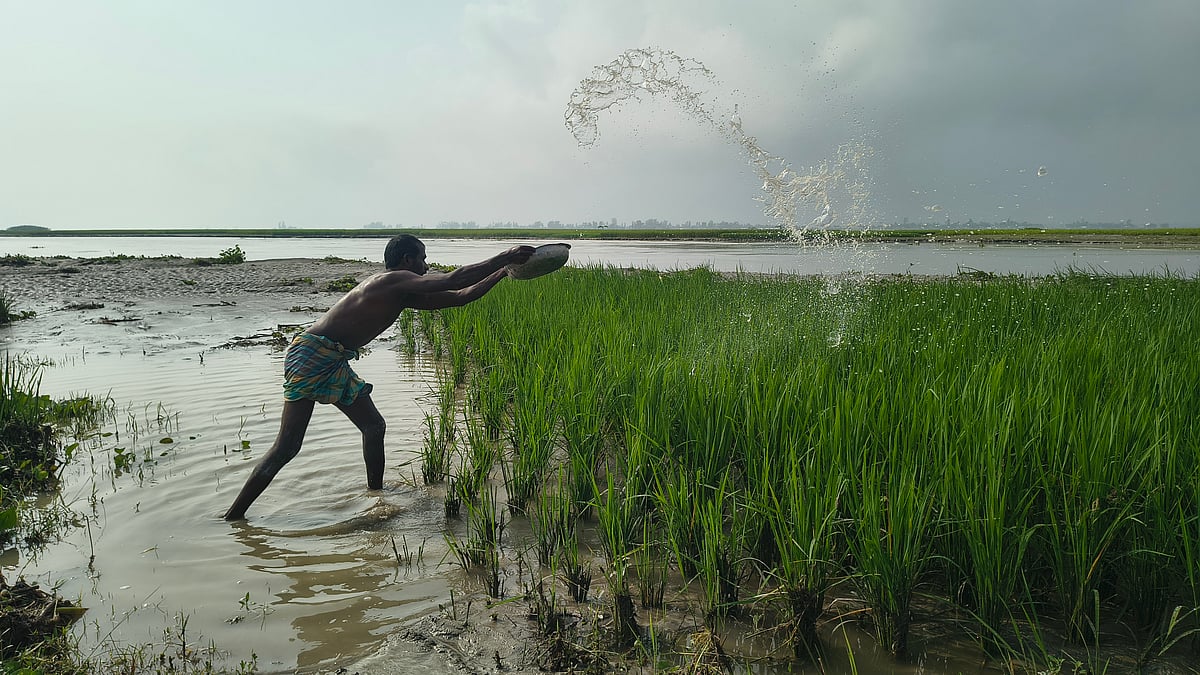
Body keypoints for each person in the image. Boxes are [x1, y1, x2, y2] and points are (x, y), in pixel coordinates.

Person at [222, 235, 534, 520]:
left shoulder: (401, 292)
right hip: (314, 354)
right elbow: (454, 278)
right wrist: (504, 255)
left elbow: (459, 296)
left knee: (373, 426)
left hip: (331, 358)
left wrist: (501, 273)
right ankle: (234, 517)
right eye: (423, 259)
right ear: (407, 260)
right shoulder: (392, 280)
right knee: (288, 446)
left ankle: (376, 495)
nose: (426, 266)